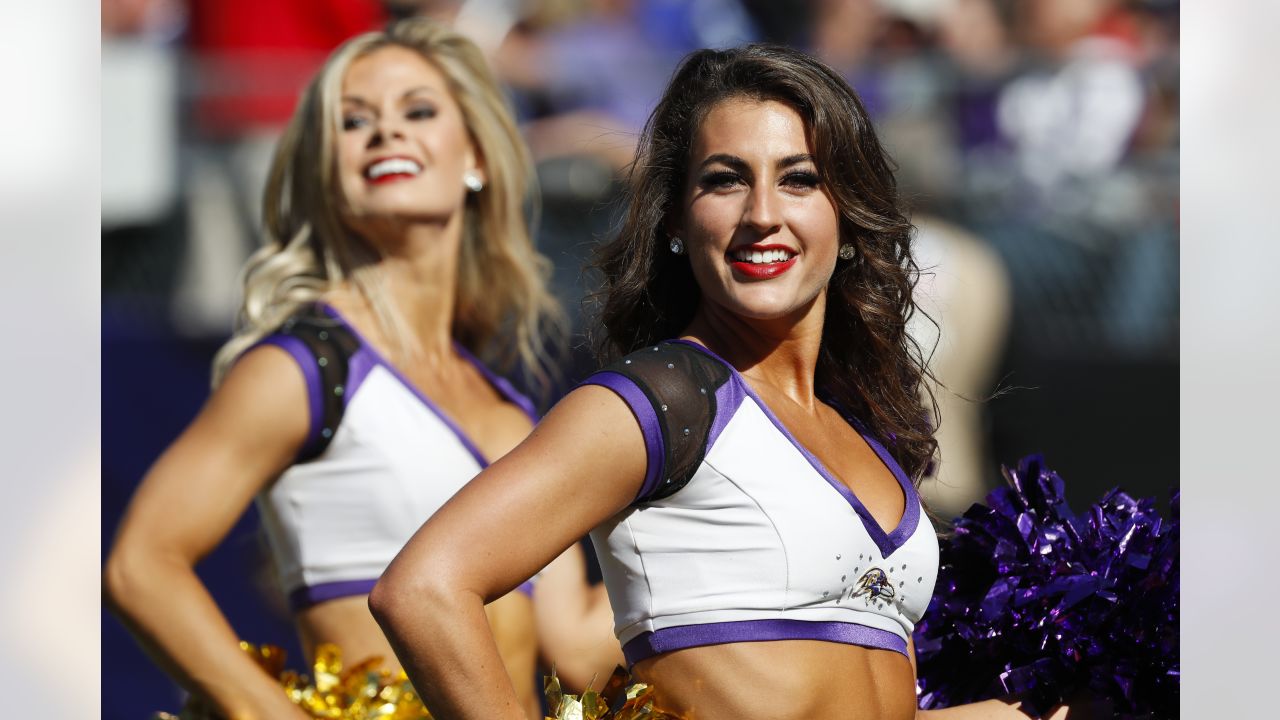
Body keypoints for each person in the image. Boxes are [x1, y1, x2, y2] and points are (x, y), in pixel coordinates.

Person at [370, 44, 1080, 719]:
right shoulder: (663, 398)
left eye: (799, 179)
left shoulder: (861, 430)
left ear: (848, 214)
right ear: (677, 217)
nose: (763, 214)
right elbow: (426, 588)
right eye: (724, 179)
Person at [103, 18, 614, 720]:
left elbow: (575, 646)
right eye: (353, 120)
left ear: (476, 157)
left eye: (419, 110)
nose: (386, 131)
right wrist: (266, 713)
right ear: (326, 170)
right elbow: (141, 565)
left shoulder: (506, 406)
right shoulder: (305, 365)